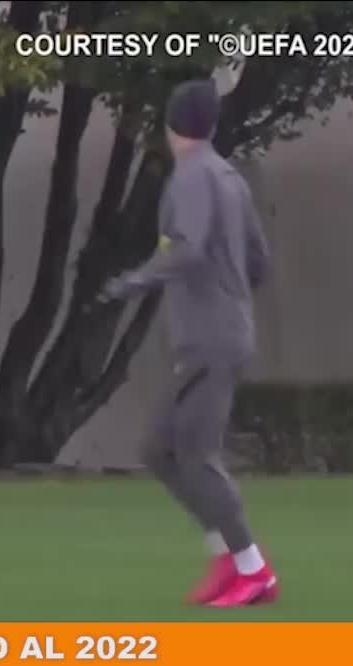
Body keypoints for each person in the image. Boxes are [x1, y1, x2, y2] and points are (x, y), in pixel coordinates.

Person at [99, 79, 276, 608]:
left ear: (170, 124)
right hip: (224, 332)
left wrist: (133, 281)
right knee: (159, 449)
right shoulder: (229, 177)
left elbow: (189, 248)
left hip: (207, 338)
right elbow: (259, 263)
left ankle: (254, 571)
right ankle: (228, 556)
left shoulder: (191, 177)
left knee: (195, 454)